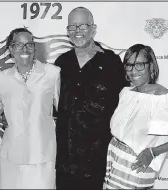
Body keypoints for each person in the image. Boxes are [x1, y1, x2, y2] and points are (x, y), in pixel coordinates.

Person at [104, 44, 168, 189]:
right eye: (129, 65)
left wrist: (153, 152)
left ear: (151, 66)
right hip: (114, 159)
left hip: (136, 166)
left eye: (139, 65)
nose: (133, 70)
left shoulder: (164, 97)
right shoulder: (126, 92)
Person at [54, 7, 128, 189]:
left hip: (96, 158)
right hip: (65, 157)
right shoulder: (61, 63)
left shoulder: (111, 62)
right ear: (67, 31)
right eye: (72, 26)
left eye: (82, 25)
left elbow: (124, 106)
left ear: (93, 29)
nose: (77, 31)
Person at [0, 27, 60, 189]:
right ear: (10, 49)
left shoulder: (52, 74)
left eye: (29, 45)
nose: (24, 49)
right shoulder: (2, 79)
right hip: (12, 156)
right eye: (18, 45)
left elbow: (65, 111)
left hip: (43, 155)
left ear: (34, 48)